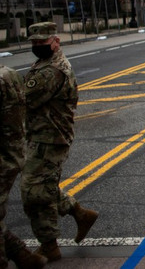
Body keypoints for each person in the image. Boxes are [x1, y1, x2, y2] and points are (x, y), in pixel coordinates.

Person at [21, 22, 99, 262]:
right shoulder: (45, 63)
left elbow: (25, 99)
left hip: (50, 138)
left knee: (33, 191)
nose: (37, 46)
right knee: (43, 186)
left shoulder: (52, 70)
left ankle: (49, 244)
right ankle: (79, 213)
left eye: (42, 42)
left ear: (56, 41)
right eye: (33, 43)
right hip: (43, 135)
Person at [0, 62, 48, 269]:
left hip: (6, 155)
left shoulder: (4, 79)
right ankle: (22, 254)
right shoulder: (9, 74)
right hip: (14, 152)